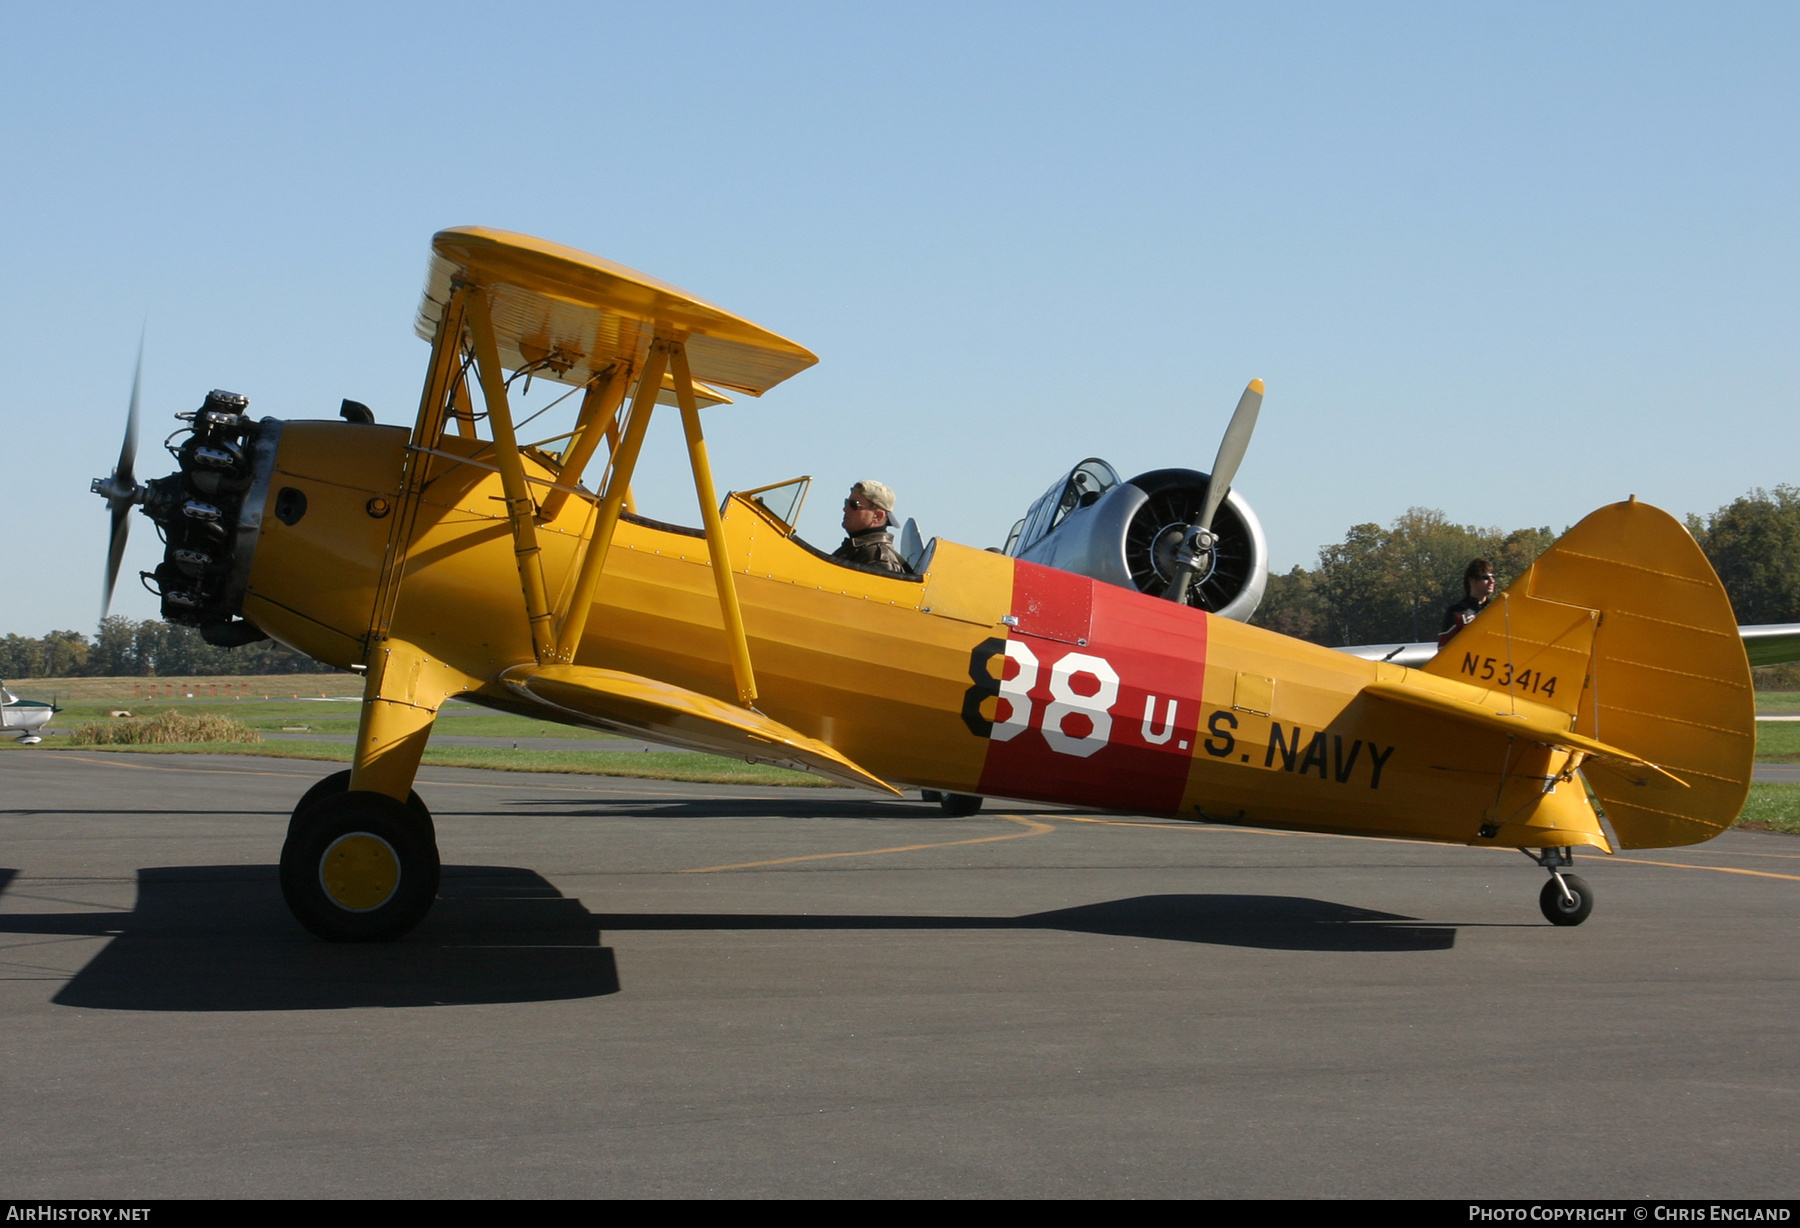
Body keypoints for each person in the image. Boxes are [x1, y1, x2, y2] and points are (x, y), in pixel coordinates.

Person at [832, 480, 909, 574]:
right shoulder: (853, 550)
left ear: (878, 516)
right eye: (847, 503)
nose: (845, 509)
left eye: (853, 505)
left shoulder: (878, 559)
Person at [1439, 558, 1498, 648]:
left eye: (1493, 577)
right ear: (1472, 581)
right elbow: (1443, 649)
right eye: (1486, 577)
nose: (1492, 581)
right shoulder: (1455, 612)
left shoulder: (1498, 609)